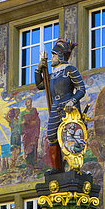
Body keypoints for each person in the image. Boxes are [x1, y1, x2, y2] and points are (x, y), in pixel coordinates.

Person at [35, 38, 86, 173]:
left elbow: (81, 88)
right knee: (52, 136)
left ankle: (74, 165)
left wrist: (72, 101)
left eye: (54, 55)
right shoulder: (52, 75)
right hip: (56, 106)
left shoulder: (69, 70)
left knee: (70, 134)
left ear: (61, 56)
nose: (52, 58)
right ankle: (57, 168)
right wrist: (38, 69)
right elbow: (41, 85)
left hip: (68, 106)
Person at [20, 97, 40, 169]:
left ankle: (34, 162)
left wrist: (34, 122)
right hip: (26, 132)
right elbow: (20, 123)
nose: (30, 103)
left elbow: (37, 120)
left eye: (30, 102)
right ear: (26, 104)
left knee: (33, 146)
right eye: (28, 102)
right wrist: (23, 123)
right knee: (27, 146)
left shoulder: (34, 110)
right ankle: (28, 163)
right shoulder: (23, 113)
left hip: (33, 131)